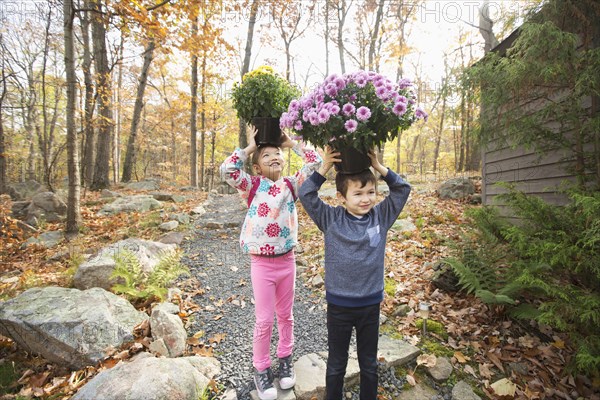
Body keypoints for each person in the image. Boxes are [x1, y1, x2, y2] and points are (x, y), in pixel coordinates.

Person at [298, 147, 411, 400]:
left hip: (370, 305)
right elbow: (305, 193)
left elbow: (402, 189)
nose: (366, 199)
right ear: (342, 197)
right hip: (339, 305)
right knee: (337, 363)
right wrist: (324, 167)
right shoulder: (331, 218)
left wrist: (379, 167)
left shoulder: (381, 216)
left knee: (368, 364)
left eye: (371, 192)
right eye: (357, 193)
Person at [220, 129, 322, 400]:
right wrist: (250, 146)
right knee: (264, 320)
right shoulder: (252, 186)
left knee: (286, 315)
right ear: (257, 166)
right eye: (268, 155)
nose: (275, 157)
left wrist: (292, 143)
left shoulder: (292, 184)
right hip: (262, 265)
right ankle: (261, 368)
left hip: (287, 261)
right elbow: (227, 170)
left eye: (278, 153)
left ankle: (285, 358)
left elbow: (316, 163)